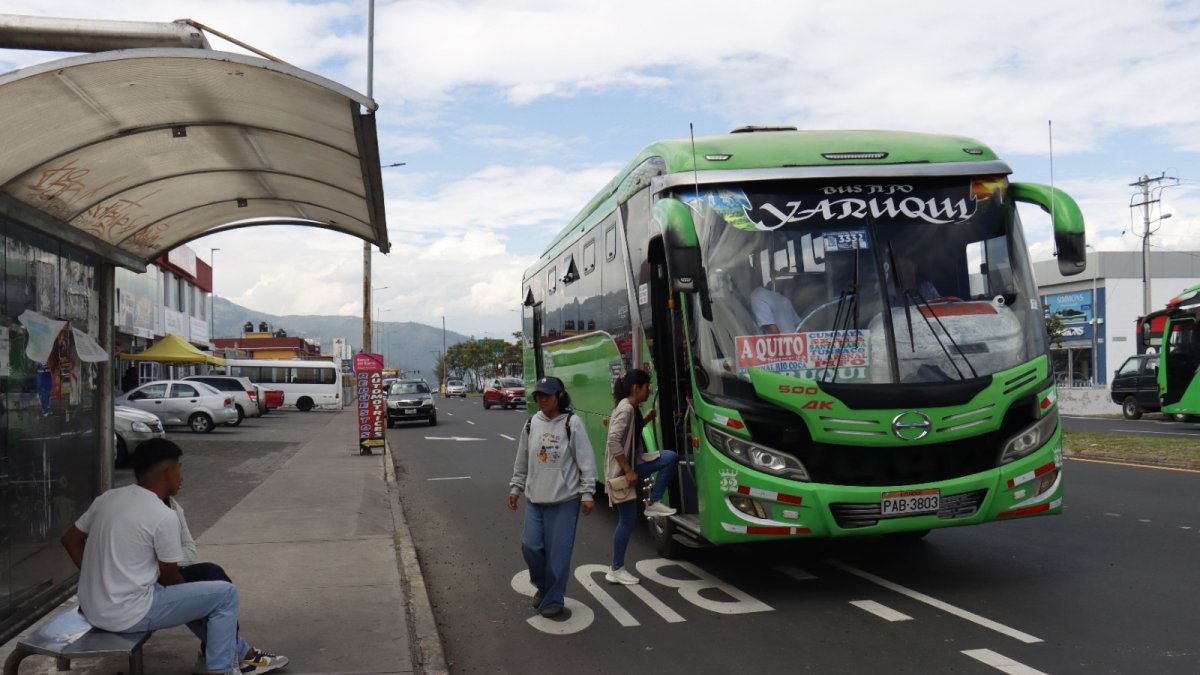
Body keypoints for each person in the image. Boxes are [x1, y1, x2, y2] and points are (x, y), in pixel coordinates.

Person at [60, 439, 287, 675]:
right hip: (126, 613)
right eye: (179, 468)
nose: (181, 476)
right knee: (225, 595)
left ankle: (243, 653)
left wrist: (96, 578)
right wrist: (194, 605)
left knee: (201, 591)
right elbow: (170, 577)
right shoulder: (163, 515)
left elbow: (70, 540)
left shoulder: (108, 498)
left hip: (93, 606)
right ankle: (223, 669)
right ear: (168, 472)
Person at [507, 376, 596, 618]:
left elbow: (586, 460)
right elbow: (522, 459)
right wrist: (516, 487)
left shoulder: (572, 423)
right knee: (530, 547)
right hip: (535, 499)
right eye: (539, 395)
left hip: (565, 501)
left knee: (558, 554)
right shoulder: (530, 423)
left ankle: (553, 598)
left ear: (559, 396)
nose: (542, 399)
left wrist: (587, 492)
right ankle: (543, 586)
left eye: (547, 394)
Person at [603, 369, 679, 585]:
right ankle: (616, 568)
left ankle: (654, 502)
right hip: (623, 472)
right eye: (647, 387)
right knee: (626, 521)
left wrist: (645, 419)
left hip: (634, 463)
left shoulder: (631, 408)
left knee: (669, 458)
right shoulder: (626, 409)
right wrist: (628, 470)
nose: (649, 391)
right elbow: (613, 441)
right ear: (636, 388)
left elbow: (630, 433)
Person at [751, 268, 801, 334]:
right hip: (793, 342)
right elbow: (801, 327)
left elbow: (774, 332)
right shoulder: (784, 299)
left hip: (782, 343)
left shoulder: (757, 296)